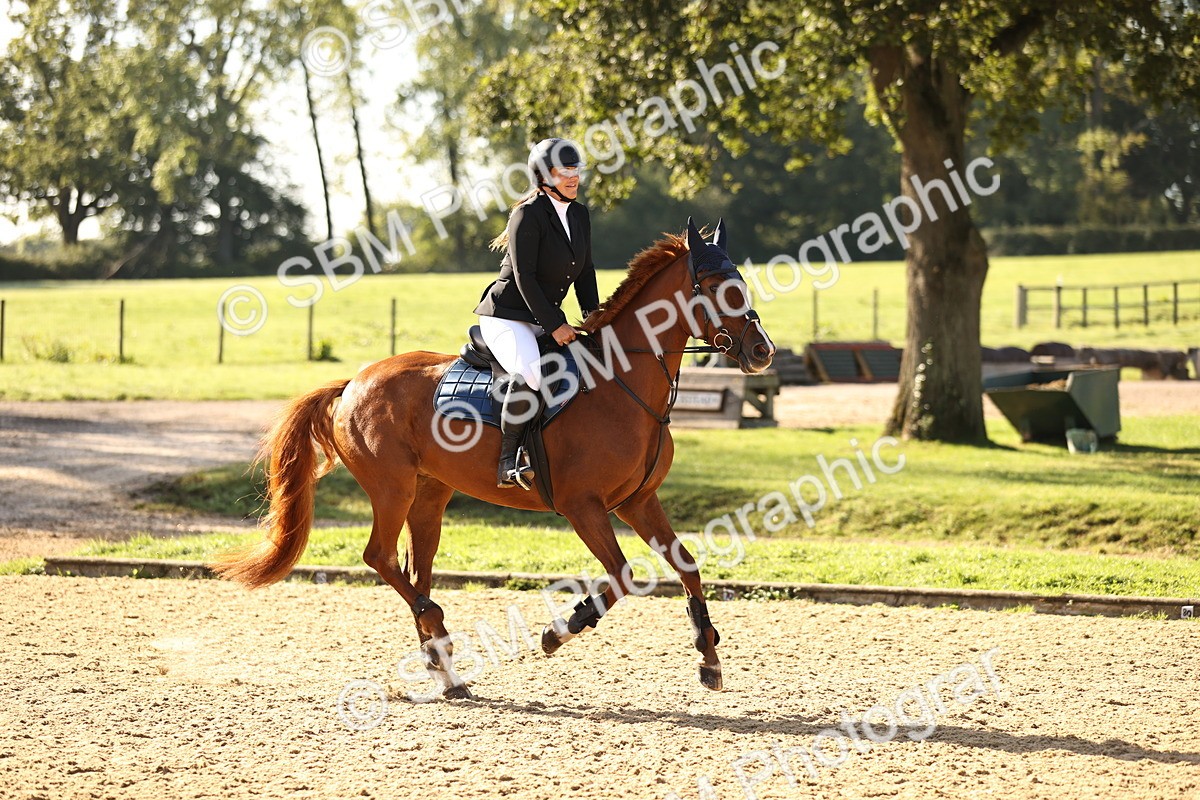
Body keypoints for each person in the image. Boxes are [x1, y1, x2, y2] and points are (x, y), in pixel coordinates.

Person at [474, 138, 600, 489]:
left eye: (576, 170)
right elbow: (524, 278)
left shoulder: (579, 214)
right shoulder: (527, 214)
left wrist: (595, 319)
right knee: (530, 374)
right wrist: (556, 324)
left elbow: (585, 273)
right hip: (506, 317)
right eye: (564, 171)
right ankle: (508, 462)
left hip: (540, 317)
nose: (573, 178)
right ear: (544, 177)